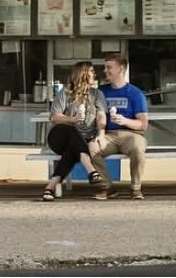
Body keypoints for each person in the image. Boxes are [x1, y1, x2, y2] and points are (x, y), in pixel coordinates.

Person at [41, 61, 107, 201]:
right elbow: (54, 117)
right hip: (59, 138)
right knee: (70, 130)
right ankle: (90, 170)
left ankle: (50, 188)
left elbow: (101, 116)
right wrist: (73, 119)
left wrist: (101, 133)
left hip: (82, 141)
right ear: (83, 74)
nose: (94, 74)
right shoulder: (65, 93)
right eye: (92, 71)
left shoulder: (97, 94)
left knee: (71, 152)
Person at [91, 52, 149, 200]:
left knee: (138, 147)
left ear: (121, 69)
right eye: (105, 67)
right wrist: (101, 134)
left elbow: (143, 125)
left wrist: (125, 121)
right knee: (92, 148)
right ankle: (107, 187)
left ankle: (136, 188)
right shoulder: (101, 92)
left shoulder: (135, 93)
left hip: (131, 135)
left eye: (109, 67)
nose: (105, 71)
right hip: (108, 134)